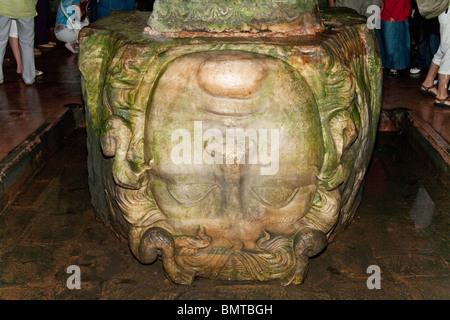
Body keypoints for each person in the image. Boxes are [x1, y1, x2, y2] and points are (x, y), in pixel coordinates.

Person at [0, 0, 38, 85]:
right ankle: (29, 78)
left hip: (3, 6)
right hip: (26, 7)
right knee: (27, 42)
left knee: (1, 41)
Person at [420, 7, 450, 107]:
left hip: (445, 12)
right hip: (448, 12)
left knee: (444, 48)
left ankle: (428, 82)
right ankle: (442, 96)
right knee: (449, 51)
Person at [375, 0, 411, 78]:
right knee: (380, 43)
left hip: (394, 14)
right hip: (379, 12)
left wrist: (396, 14)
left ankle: (394, 68)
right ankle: (383, 64)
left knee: (393, 44)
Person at [409, 0, 440, 75]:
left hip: (437, 14)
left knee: (433, 44)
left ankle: (434, 72)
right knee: (422, 42)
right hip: (423, 14)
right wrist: (414, 8)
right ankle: (421, 64)